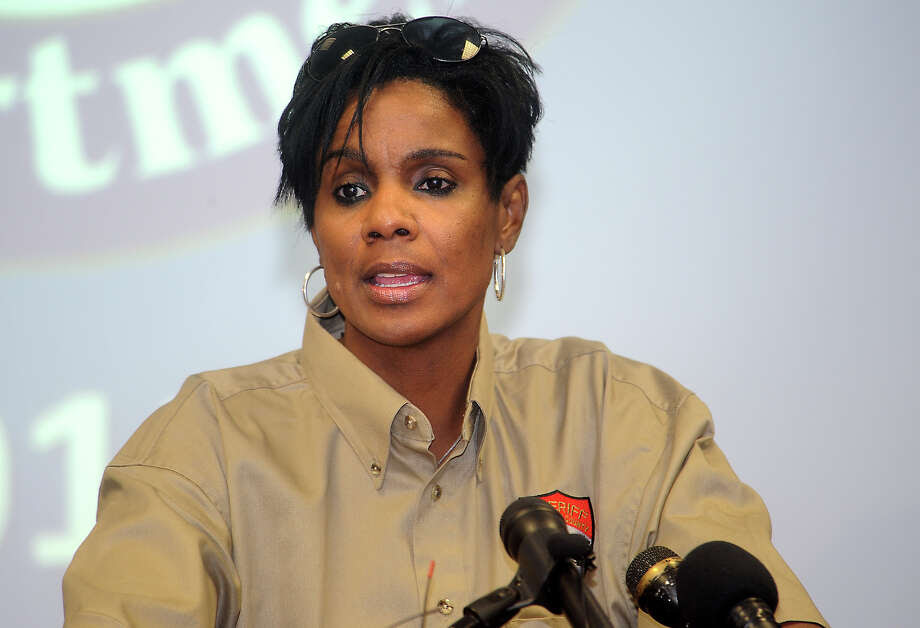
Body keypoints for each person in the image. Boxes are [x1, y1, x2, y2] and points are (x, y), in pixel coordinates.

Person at [63, 14, 828, 627]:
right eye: (351, 189)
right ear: (316, 225)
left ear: (507, 215)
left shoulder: (628, 421)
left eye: (433, 181)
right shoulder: (201, 453)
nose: (387, 218)